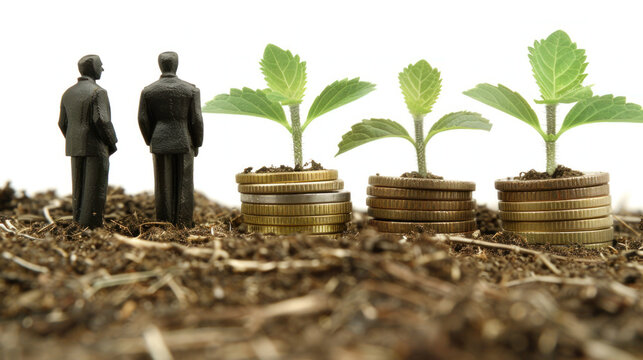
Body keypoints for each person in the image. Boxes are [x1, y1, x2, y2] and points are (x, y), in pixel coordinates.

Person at [138, 52, 204, 227]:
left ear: (160, 65)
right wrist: (197, 142)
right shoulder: (191, 90)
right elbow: (196, 119)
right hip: (184, 138)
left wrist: (150, 139)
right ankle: (183, 223)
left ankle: (164, 222)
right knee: (185, 184)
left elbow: (143, 119)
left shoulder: (149, 91)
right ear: (176, 65)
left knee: (162, 185)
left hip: (159, 139)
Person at [59, 55, 118, 228]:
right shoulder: (98, 92)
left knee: (78, 188)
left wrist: (74, 138)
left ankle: (76, 224)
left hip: (74, 146)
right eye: (100, 65)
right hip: (95, 146)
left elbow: (62, 123)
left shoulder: (68, 93)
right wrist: (112, 142)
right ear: (93, 68)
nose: (103, 69)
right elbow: (102, 120)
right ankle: (91, 227)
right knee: (94, 188)